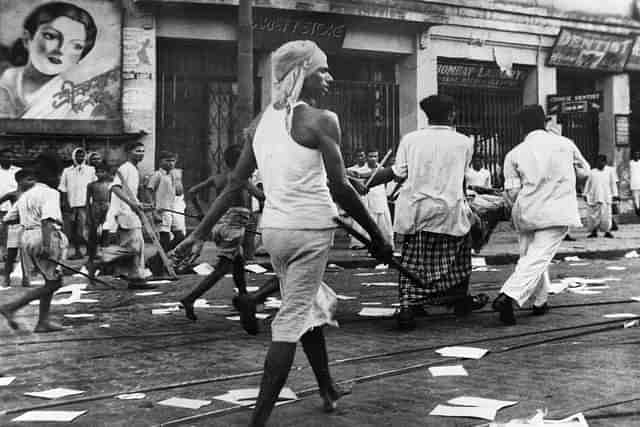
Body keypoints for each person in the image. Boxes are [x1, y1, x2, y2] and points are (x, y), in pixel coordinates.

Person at [171, 40, 392, 426]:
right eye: (323, 70)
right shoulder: (322, 120)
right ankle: (259, 419)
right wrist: (376, 236)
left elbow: (233, 182)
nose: (330, 77)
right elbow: (341, 188)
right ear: (303, 73)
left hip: (272, 232)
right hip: (310, 231)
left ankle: (327, 388)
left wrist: (200, 233)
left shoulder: (259, 123)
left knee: (304, 305)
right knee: (290, 320)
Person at [368, 94, 489, 330]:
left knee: (414, 261)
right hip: (449, 210)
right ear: (452, 113)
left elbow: (397, 172)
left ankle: (408, 304)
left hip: (416, 210)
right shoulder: (464, 142)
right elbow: (460, 179)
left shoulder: (411, 139)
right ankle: (457, 300)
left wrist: (367, 182)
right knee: (458, 260)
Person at [492, 105, 590, 325]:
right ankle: (508, 295)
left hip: (526, 211)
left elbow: (512, 191)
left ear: (521, 126)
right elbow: (585, 172)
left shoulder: (514, 153)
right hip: (557, 211)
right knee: (537, 257)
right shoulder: (565, 145)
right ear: (545, 121)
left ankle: (540, 301)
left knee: (531, 257)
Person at [178, 145, 265, 323]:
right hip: (234, 225)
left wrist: (201, 213)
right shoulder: (240, 179)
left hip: (220, 223)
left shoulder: (217, 178)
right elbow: (261, 196)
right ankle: (190, 299)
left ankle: (243, 298)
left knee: (238, 263)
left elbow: (192, 192)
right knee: (222, 269)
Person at [0, 2, 98, 119]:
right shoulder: (5, 77)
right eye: (51, 36)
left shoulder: (78, 103)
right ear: (27, 39)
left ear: (80, 56)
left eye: (76, 46)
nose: (61, 49)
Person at [0, 166, 68, 333]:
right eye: (58, 173)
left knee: (49, 280)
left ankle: (42, 322)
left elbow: (8, 219)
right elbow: (46, 220)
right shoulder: (51, 193)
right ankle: (11, 307)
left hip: (28, 237)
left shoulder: (25, 196)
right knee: (54, 283)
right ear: (51, 175)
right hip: (45, 236)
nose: (59, 177)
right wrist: (45, 244)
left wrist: (29, 221)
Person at [107, 141, 155, 290]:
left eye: (142, 151)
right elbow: (115, 188)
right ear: (129, 152)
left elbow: (131, 195)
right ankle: (134, 277)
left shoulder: (134, 169)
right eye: (137, 151)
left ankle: (127, 273)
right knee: (135, 245)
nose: (140, 154)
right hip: (124, 213)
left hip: (129, 212)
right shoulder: (125, 168)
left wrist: (141, 205)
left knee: (134, 245)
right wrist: (131, 204)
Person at [58, 147, 96, 259]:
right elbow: (63, 188)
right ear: (73, 157)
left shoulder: (91, 170)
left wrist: (92, 203)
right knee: (72, 229)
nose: (80, 158)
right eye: (77, 155)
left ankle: (90, 251)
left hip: (86, 205)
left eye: (82, 155)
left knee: (85, 230)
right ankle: (77, 251)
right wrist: (66, 203)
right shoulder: (67, 171)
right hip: (72, 205)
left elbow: (94, 186)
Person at [0, 173, 35, 287]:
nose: (31, 182)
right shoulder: (13, 194)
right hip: (15, 227)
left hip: (27, 226)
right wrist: (4, 219)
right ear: (20, 181)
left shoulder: (32, 194)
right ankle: (6, 277)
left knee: (26, 255)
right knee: (11, 254)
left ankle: (26, 277)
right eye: (28, 179)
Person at [146, 151, 178, 251]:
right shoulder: (157, 175)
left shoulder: (171, 175)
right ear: (160, 161)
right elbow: (148, 191)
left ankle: (157, 259)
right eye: (167, 161)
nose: (171, 163)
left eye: (173, 161)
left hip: (171, 211)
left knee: (180, 236)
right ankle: (159, 263)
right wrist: (153, 210)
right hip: (161, 212)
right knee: (164, 239)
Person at [85, 161, 113, 276]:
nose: (99, 174)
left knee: (106, 233)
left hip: (108, 208)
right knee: (93, 234)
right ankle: (91, 258)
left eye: (102, 172)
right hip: (95, 208)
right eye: (98, 172)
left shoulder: (111, 184)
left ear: (107, 173)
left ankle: (106, 260)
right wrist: (88, 215)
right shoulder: (91, 185)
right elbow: (87, 201)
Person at [584, 155, 617, 238]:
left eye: (601, 161)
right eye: (598, 162)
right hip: (594, 197)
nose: (600, 163)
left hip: (606, 196)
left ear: (605, 162)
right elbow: (588, 184)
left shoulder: (610, 171)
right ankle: (594, 232)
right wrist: (585, 194)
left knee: (607, 215)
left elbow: (613, 183)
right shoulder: (592, 172)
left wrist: (615, 194)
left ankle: (607, 231)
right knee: (593, 216)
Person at [0, 149, 21, 261]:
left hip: (16, 207)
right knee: (3, 232)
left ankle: (16, 255)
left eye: (10, 157)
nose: (8, 159)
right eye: (5, 157)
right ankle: (4, 254)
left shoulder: (18, 171)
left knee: (17, 231)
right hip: (2, 207)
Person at [629, 150, 640, 216]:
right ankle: (638, 210)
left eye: (638, 154)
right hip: (634, 183)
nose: (637, 155)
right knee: (636, 199)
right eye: (635, 154)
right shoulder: (630, 163)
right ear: (633, 155)